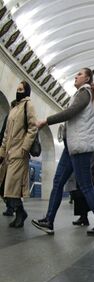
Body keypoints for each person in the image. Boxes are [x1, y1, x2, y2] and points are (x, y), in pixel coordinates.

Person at [32, 68, 94, 236]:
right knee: (57, 182)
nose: (75, 76)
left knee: (85, 186)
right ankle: (49, 221)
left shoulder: (85, 92)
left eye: (79, 74)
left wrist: (46, 121)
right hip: (71, 147)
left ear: (87, 78)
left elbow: (71, 112)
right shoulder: (81, 93)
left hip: (80, 147)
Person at [0, 82, 38, 227]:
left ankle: (20, 213)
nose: (18, 92)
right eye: (17, 89)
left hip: (19, 152)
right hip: (8, 153)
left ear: (27, 91)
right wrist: (2, 151)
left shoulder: (29, 106)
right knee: (4, 186)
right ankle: (20, 212)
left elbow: (33, 127)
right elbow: (6, 134)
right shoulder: (14, 108)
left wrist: (25, 147)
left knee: (12, 187)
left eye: (21, 90)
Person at [1, 99, 17, 217]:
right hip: (15, 155)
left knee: (6, 183)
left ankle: (13, 207)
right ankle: (12, 207)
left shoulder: (10, 117)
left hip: (9, 155)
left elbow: (3, 135)